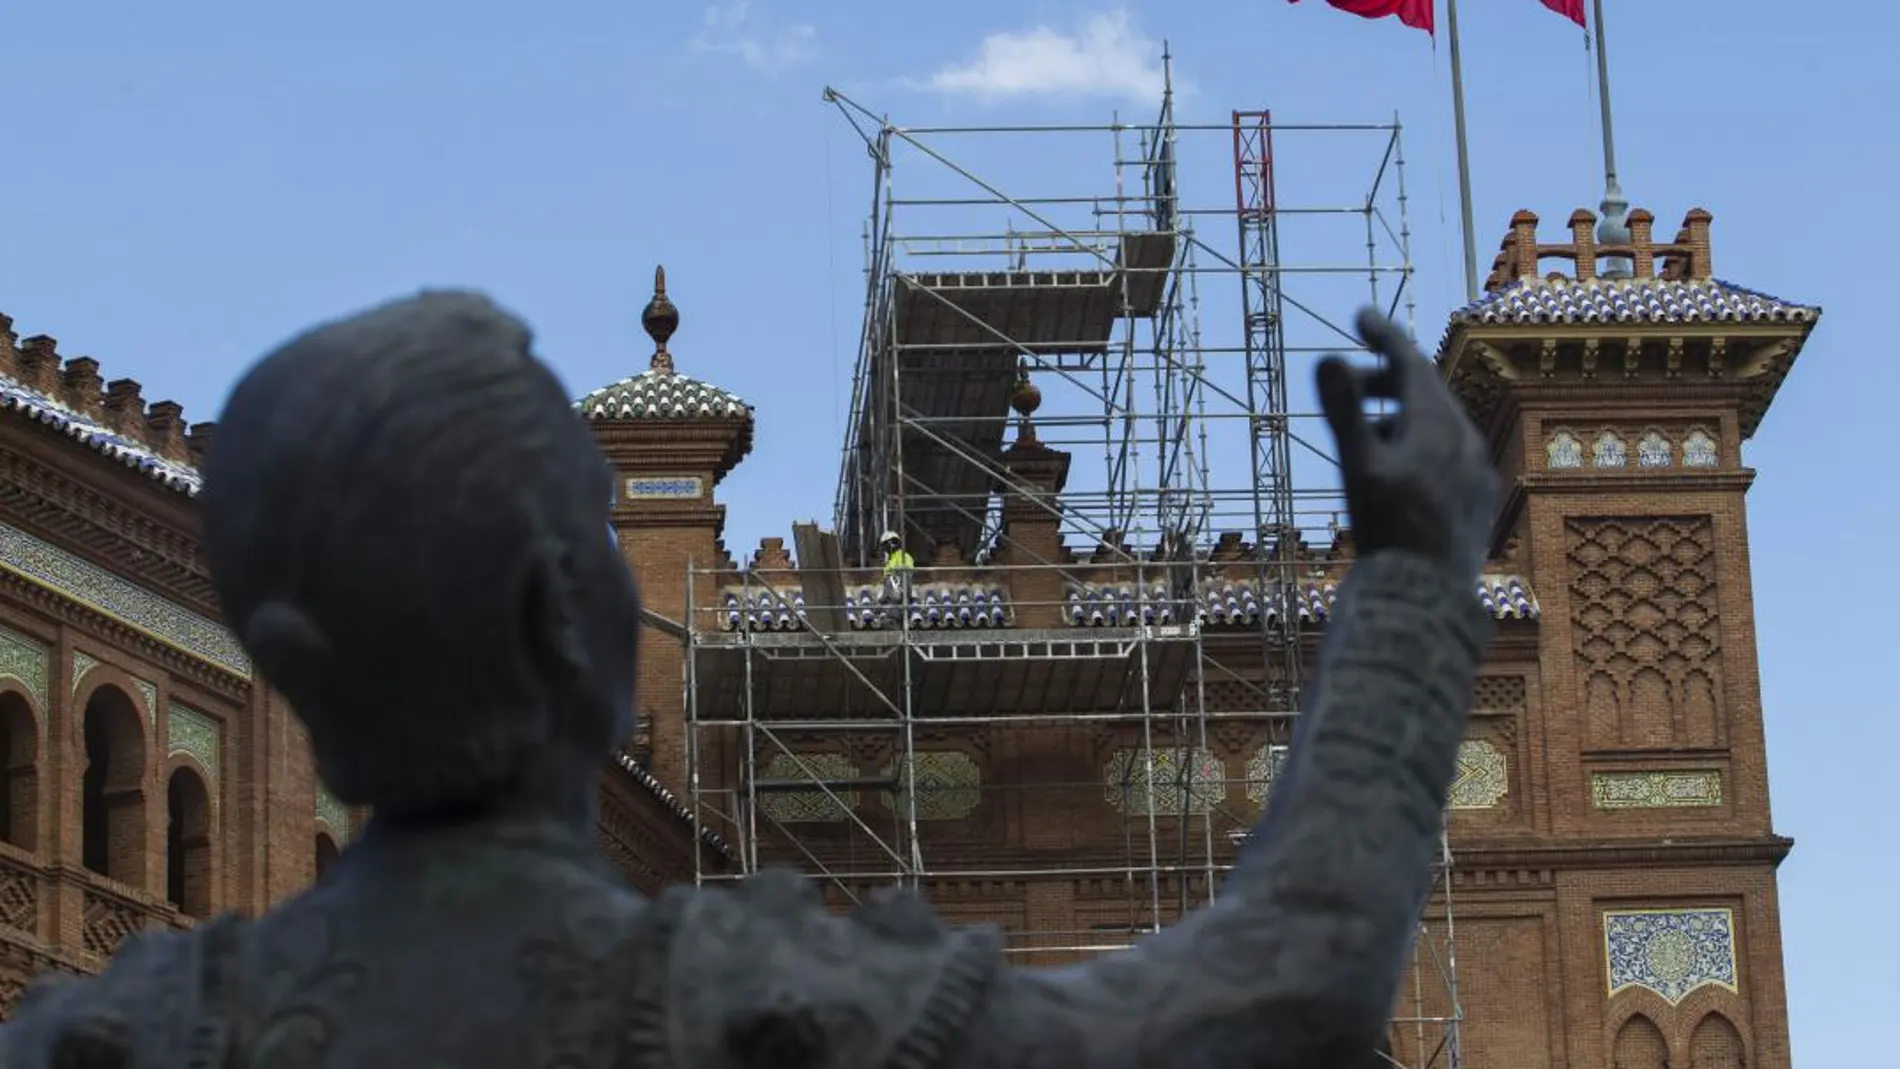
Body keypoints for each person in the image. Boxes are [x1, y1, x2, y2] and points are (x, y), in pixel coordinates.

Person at [1, 299, 1497, 1069]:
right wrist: (1417, 588)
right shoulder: (766, 1008)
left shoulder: (114, 1041)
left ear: (292, 669)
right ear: (582, 616)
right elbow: (1282, 992)